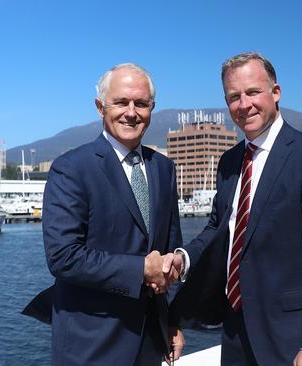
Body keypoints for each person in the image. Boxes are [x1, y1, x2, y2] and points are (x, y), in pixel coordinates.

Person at [169, 52, 302, 365]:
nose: (244, 104)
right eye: (233, 97)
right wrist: (183, 259)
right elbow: (219, 227)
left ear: (276, 93)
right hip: (235, 329)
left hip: (292, 336)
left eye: (253, 92)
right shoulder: (228, 162)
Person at [41, 63, 184, 366]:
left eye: (141, 104)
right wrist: (140, 270)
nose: (131, 112)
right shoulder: (71, 169)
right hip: (91, 345)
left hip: (151, 342)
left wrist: (172, 321)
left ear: (151, 108)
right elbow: (63, 256)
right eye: (121, 102)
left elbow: (170, 251)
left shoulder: (164, 169)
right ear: (100, 107)